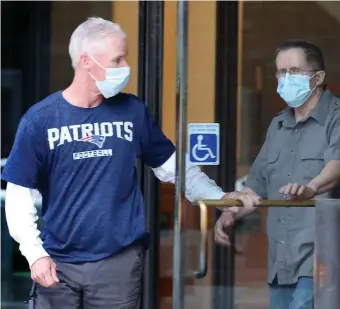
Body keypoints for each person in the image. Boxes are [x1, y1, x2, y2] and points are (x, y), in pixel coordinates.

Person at [2, 17, 260, 309]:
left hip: (118, 265)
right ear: (87, 62)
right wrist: (35, 254)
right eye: (117, 59)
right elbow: (19, 196)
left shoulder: (132, 111)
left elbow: (173, 167)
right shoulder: (40, 120)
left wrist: (219, 197)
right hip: (59, 264)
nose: (126, 67)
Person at [214, 39, 340, 309]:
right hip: (281, 262)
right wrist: (230, 214)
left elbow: (337, 164)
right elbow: (255, 186)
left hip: (322, 262)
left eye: (294, 71)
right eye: (280, 72)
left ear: (317, 78)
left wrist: (312, 188)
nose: (285, 79)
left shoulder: (336, 117)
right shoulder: (278, 125)